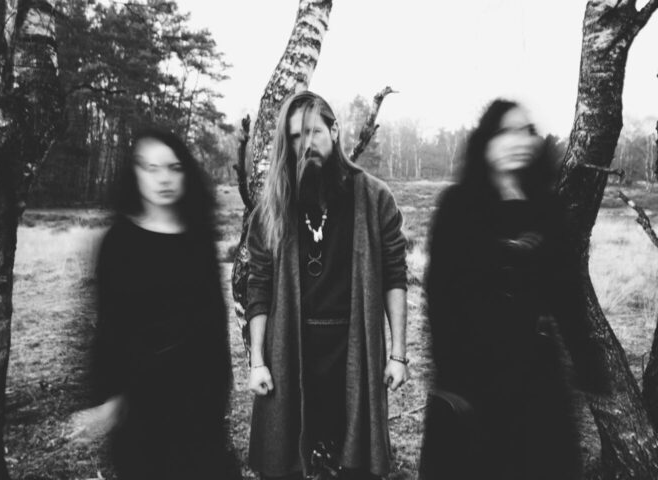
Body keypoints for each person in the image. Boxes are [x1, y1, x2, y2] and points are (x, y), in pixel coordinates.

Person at [245, 90, 410, 480]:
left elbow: (394, 276)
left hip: (353, 350)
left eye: (314, 132)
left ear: (334, 131)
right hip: (292, 350)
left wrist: (398, 354)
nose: (306, 144)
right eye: (295, 137)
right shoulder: (275, 204)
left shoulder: (374, 197)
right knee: (288, 460)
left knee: (354, 464)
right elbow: (259, 286)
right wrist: (257, 361)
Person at [419, 99, 583, 480]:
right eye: (506, 131)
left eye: (526, 131)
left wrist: (589, 368)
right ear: (486, 143)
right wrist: (450, 379)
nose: (519, 140)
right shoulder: (458, 206)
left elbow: (566, 293)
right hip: (474, 374)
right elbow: (440, 298)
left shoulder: (547, 207)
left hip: (536, 377)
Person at [81, 127, 235, 479]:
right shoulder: (119, 241)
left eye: (173, 167)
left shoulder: (198, 237)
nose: (163, 178)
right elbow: (110, 326)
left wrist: (217, 391)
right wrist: (109, 394)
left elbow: (214, 321)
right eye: (151, 168)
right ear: (135, 173)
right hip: (142, 401)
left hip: (197, 399)